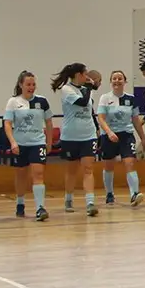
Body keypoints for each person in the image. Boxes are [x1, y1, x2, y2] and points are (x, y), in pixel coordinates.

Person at [50, 63, 100, 216]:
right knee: (72, 170)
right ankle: (69, 198)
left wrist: (97, 128)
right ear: (78, 75)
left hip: (88, 135)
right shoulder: (67, 90)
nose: (87, 77)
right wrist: (90, 88)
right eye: (85, 74)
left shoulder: (86, 90)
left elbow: (89, 109)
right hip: (71, 136)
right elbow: (82, 102)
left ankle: (90, 202)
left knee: (88, 168)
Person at [4, 70, 54, 221]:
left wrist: (49, 142)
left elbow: (49, 122)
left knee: (38, 174)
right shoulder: (13, 102)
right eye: (28, 84)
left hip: (37, 142)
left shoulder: (42, 101)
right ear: (21, 85)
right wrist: (13, 142)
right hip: (20, 144)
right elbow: (7, 123)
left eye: (33, 84)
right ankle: (20, 203)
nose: (31, 87)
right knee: (21, 174)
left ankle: (40, 207)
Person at [97, 70, 145, 207]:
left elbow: (136, 120)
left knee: (129, 162)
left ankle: (134, 194)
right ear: (111, 81)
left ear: (125, 81)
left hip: (126, 135)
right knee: (108, 166)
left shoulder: (131, 99)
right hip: (109, 136)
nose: (117, 81)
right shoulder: (105, 98)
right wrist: (109, 132)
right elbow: (101, 118)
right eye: (114, 78)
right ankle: (109, 193)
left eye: (120, 78)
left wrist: (143, 137)